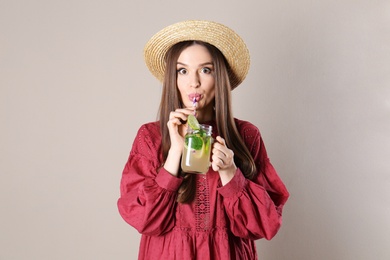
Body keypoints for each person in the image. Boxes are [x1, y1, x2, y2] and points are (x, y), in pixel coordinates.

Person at [117, 20, 289, 260]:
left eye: (206, 70)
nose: (194, 82)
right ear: (173, 78)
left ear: (219, 78)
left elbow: (265, 225)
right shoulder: (150, 137)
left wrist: (230, 173)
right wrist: (175, 153)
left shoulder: (246, 136)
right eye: (183, 70)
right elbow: (143, 219)